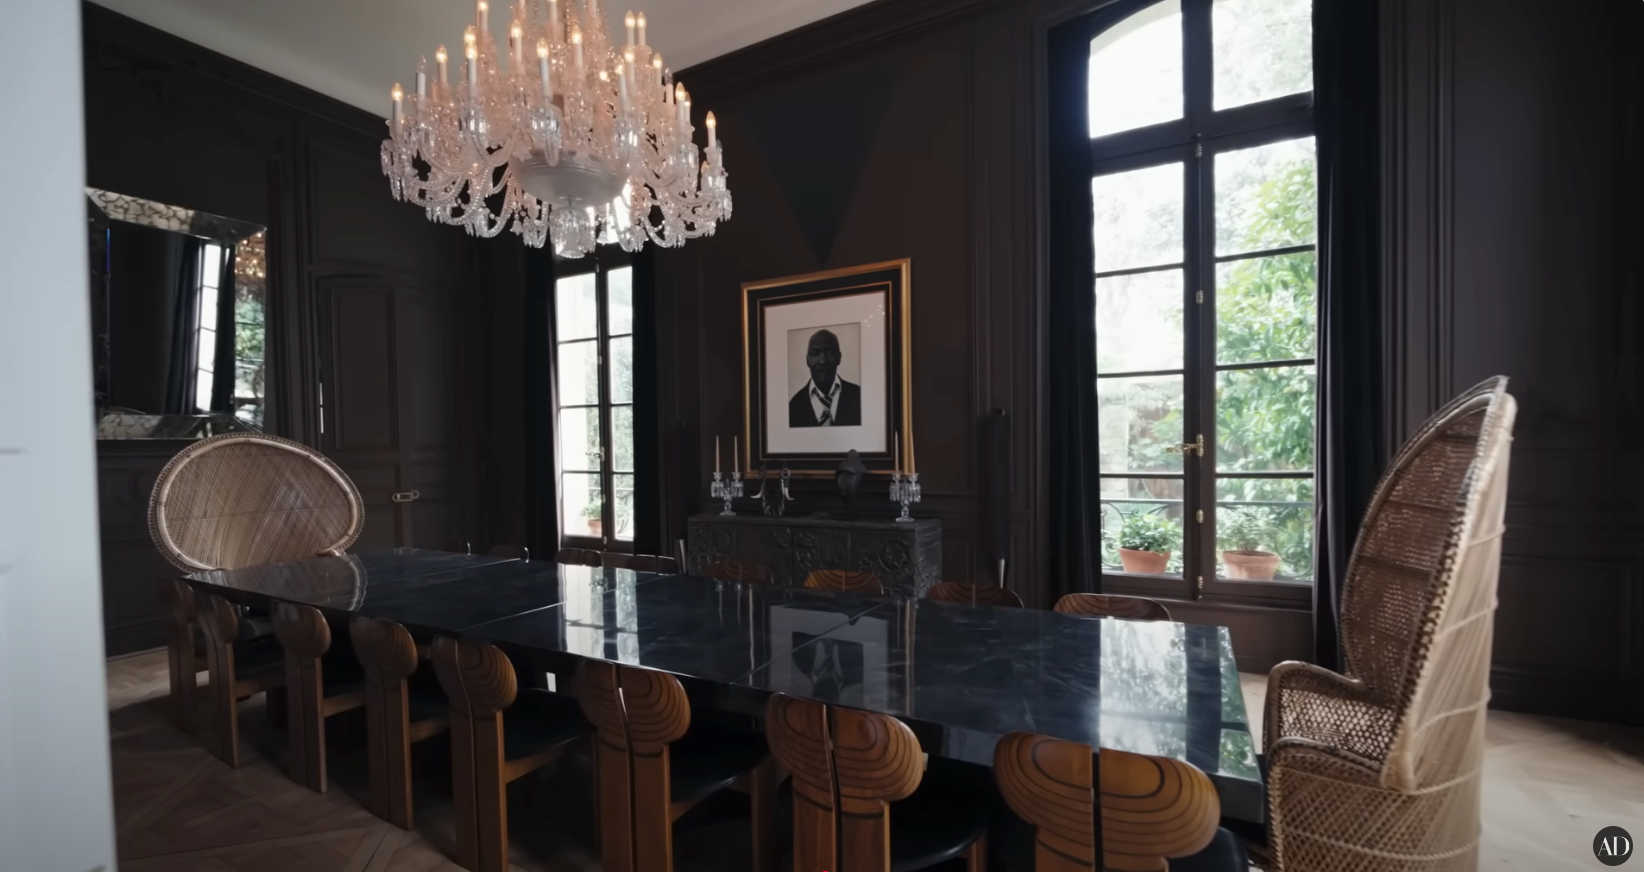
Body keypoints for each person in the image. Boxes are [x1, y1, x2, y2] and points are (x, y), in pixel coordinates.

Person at [789, 328, 861, 427]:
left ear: (839, 357)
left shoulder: (859, 397)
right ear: (807, 360)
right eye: (815, 353)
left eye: (830, 352)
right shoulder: (793, 406)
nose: (822, 361)